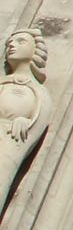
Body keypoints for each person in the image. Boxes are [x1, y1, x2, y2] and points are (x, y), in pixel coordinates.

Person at [0, 28, 49, 206]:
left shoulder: (37, 90)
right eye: (9, 43)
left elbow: (41, 114)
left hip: (9, 139)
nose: (12, 46)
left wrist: (27, 123)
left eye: (21, 42)